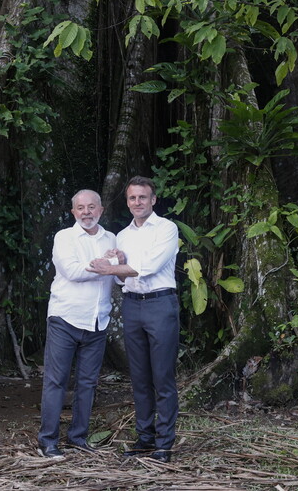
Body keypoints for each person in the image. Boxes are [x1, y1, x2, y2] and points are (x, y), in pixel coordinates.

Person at [87, 176, 179, 463]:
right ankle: (145, 439)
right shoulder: (123, 236)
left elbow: (147, 267)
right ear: (127, 202)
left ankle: (164, 444)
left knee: (162, 377)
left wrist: (109, 269)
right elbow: (122, 269)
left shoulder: (167, 228)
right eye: (132, 198)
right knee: (138, 378)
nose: (137, 203)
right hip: (132, 305)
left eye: (142, 197)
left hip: (160, 304)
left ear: (153, 200)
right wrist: (113, 259)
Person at [37, 189, 116, 458]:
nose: (87, 212)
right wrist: (107, 265)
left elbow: (117, 277)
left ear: (101, 209)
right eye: (81, 208)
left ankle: (78, 437)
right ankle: (48, 441)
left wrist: (109, 265)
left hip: (97, 321)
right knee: (56, 381)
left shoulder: (112, 238)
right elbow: (71, 271)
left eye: (92, 207)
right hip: (65, 318)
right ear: (73, 212)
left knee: (88, 383)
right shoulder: (64, 237)